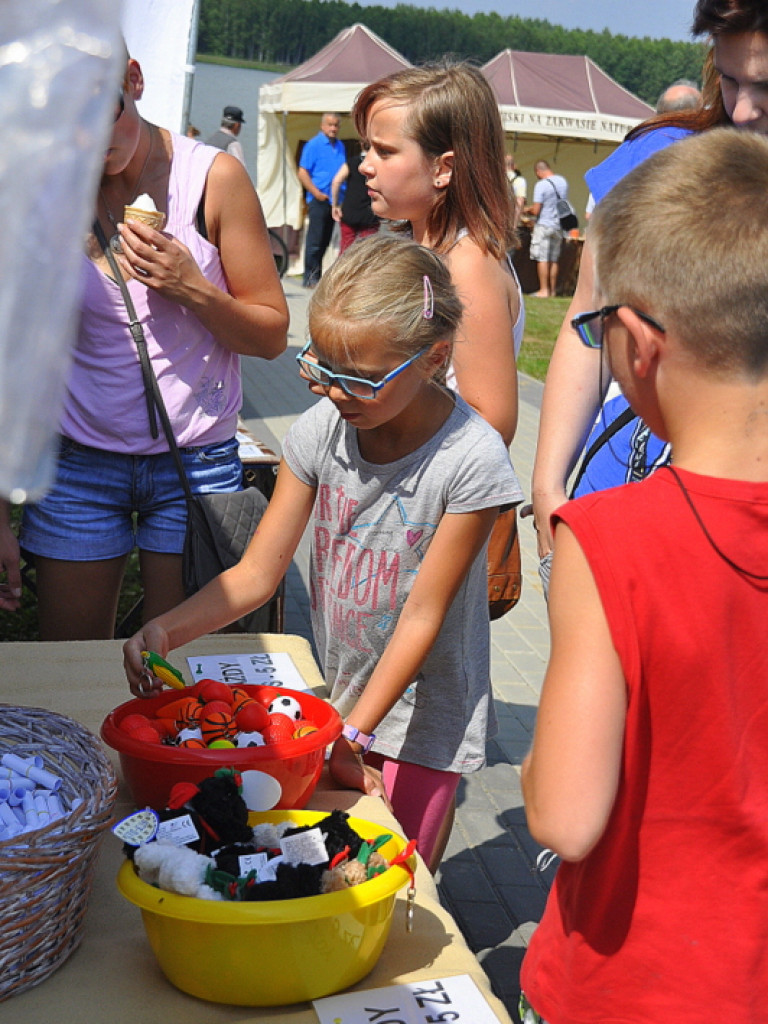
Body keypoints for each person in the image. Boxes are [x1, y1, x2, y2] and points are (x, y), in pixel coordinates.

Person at [124, 235, 523, 873]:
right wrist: (167, 628)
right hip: (340, 704)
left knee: (399, 875)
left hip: (424, 720)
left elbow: (424, 614)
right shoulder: (323, 431)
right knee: (321, 867)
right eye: (321, 370)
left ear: (432, 358)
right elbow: (258, 572)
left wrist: (355, 733)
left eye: (359, 380)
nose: (335, 393)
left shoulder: (470, 459)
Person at [519, 126, 768, 1024]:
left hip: (628, 986)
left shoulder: (608, 535)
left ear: (635, 343)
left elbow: (565, 818)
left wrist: (534, 772)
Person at [12, 48, 288, 641]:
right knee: (71, 669)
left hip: (193, 461)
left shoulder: (212, 178)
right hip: (76, 464)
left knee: (179, 679)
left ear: (133, 80)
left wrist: (193, 289)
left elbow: (271, 335)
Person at [531, 0, 768, 568]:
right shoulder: (657, 158)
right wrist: (547, 485)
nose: (741, 111)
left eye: (767, 88)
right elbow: (587, 322)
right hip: (618, 505)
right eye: (730, 79)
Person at [353, 62, 521, 447]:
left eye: (384, 151)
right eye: (366, 147)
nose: (365, 165)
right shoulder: (419, 247)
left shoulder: (467, 263)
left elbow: (492, 422)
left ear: (443, 168)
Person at [298, 113, 346, 288]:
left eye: (336, 125)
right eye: (330, 125)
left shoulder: (340, 145)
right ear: (322, 126)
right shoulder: (314, 145)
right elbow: (302, 172)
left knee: (326, 240)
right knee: (315, 240)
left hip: (335, 201)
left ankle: (317, 275)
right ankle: (309, 277)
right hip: (319, 198)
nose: (333, 128)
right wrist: (315, 192)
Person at [526, 160, 569, 299]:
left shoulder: (541, 185)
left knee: (543, 258)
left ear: (539, 171)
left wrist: (527, 209)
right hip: (558, 225)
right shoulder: (562, 182)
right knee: (554, 259)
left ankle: (543, 290)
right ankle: (552, 291)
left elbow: (536, 209)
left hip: (544, 225)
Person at [330, 152, 379, 253]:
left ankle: (343, 268)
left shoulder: (352, 162)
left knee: (345, 249)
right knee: (366, 252)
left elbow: (336, 181)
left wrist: (335, 205)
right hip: (370, 213)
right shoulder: (378, 164)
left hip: (350, 211)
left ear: (361, 145)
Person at [505, 154, 527, 222]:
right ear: (513, 166)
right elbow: (519, 203)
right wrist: (514, 225)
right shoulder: (519, 180)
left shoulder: (493, 178)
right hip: (509, 219)